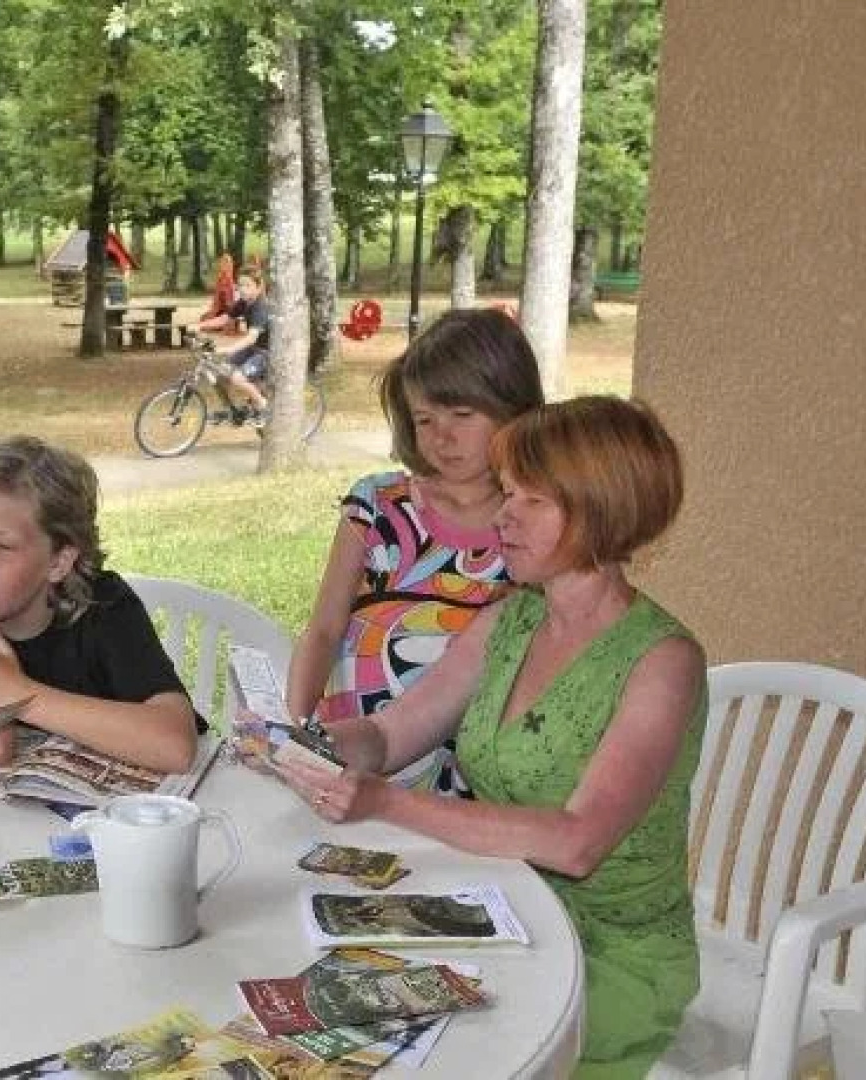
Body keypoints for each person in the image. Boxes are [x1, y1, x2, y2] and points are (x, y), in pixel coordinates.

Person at [274, 396, 705, 1079]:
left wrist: (384, 803)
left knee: (451, 1059)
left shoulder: (661, 661)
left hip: (611, 954)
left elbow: (576, 842)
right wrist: (309, 742)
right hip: (498, 904)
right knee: (339, 1017)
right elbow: (392, 735)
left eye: (532, 501)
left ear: (600, 511)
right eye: (509, 492)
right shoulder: (510, 618)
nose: (503, 514)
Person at [287, 308, 543, 793]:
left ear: (515, 409)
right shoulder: (378, 507)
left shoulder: (531, 527)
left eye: (462, 415)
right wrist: (301, 730)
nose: (441, 437)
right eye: (424, 419)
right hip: (344, 760)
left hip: (459, 788)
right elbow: (323, 629)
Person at [0, 436, 199, 808]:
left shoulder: (103, 611)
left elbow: (175, 747)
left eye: (3, 546)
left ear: (59, 562)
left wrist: (16, 694)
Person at [194, 265, 271, 419]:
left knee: (237, 378)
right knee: (222, 372)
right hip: (253, 348)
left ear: (258, 287)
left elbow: (251, 337)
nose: (242, 289)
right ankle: (233, 409)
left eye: (248, 285)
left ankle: (264, 407)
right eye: (240, 285)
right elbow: (224, 319)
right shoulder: (244, 302)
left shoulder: (260, 307)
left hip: (266, 353)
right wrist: (200, 325)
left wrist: (229, 349)